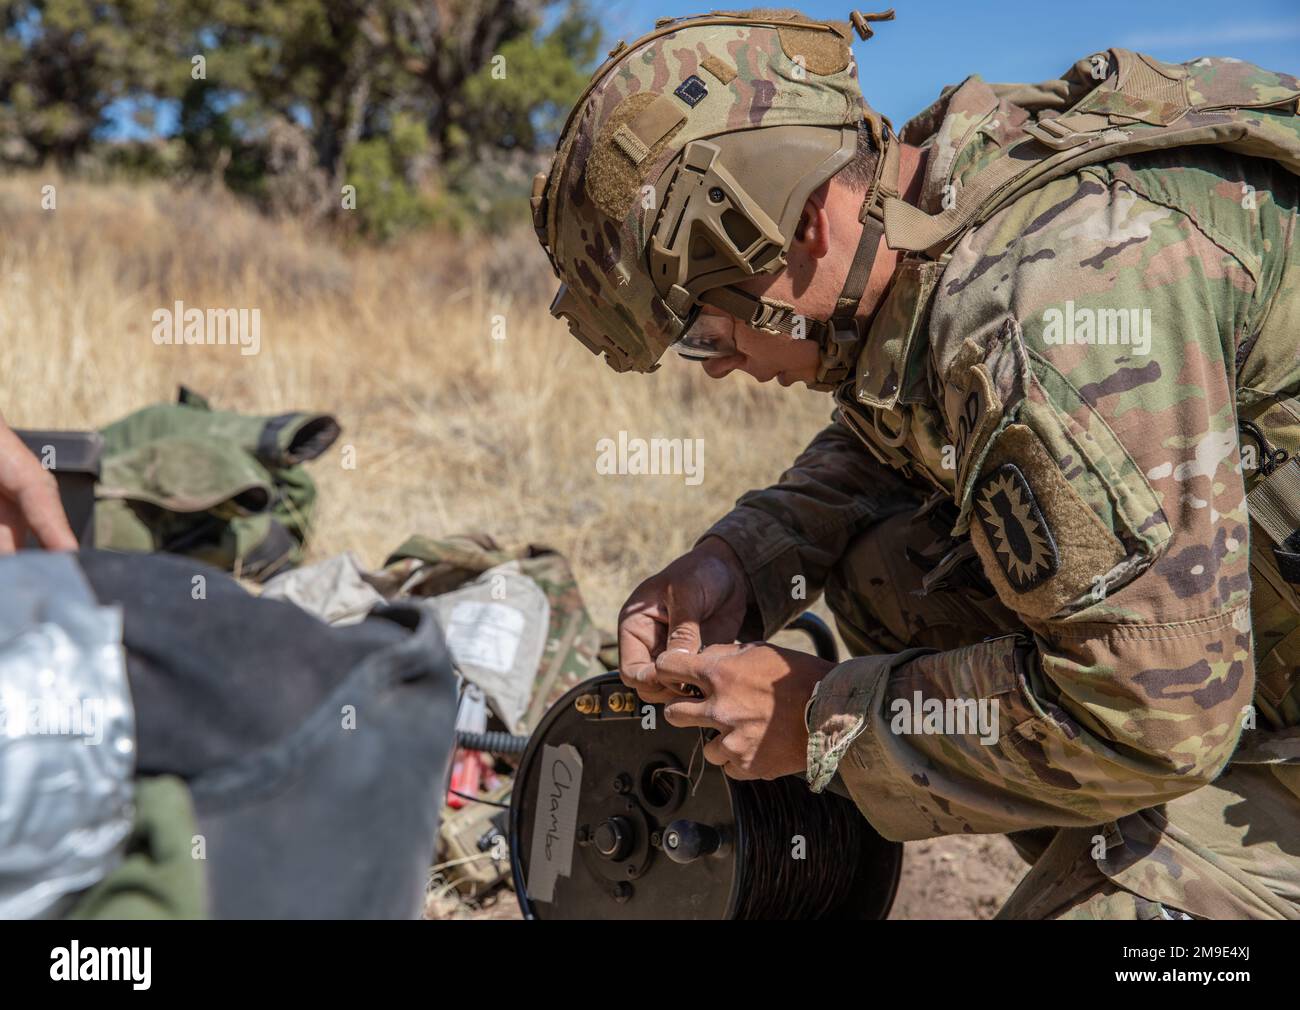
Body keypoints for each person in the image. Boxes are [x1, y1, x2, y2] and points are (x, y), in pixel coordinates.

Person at [531, 8, 1300, 918]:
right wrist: (737, 559)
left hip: (1180, 710)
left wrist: (824, 719)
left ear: (804, 229)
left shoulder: (1052, 306)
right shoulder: (934, 208)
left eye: (706, 330)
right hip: (1235, 661)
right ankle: (1125, 842)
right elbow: (887, 440)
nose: (724, 366)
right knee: (888, 567)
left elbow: (1155, 717)